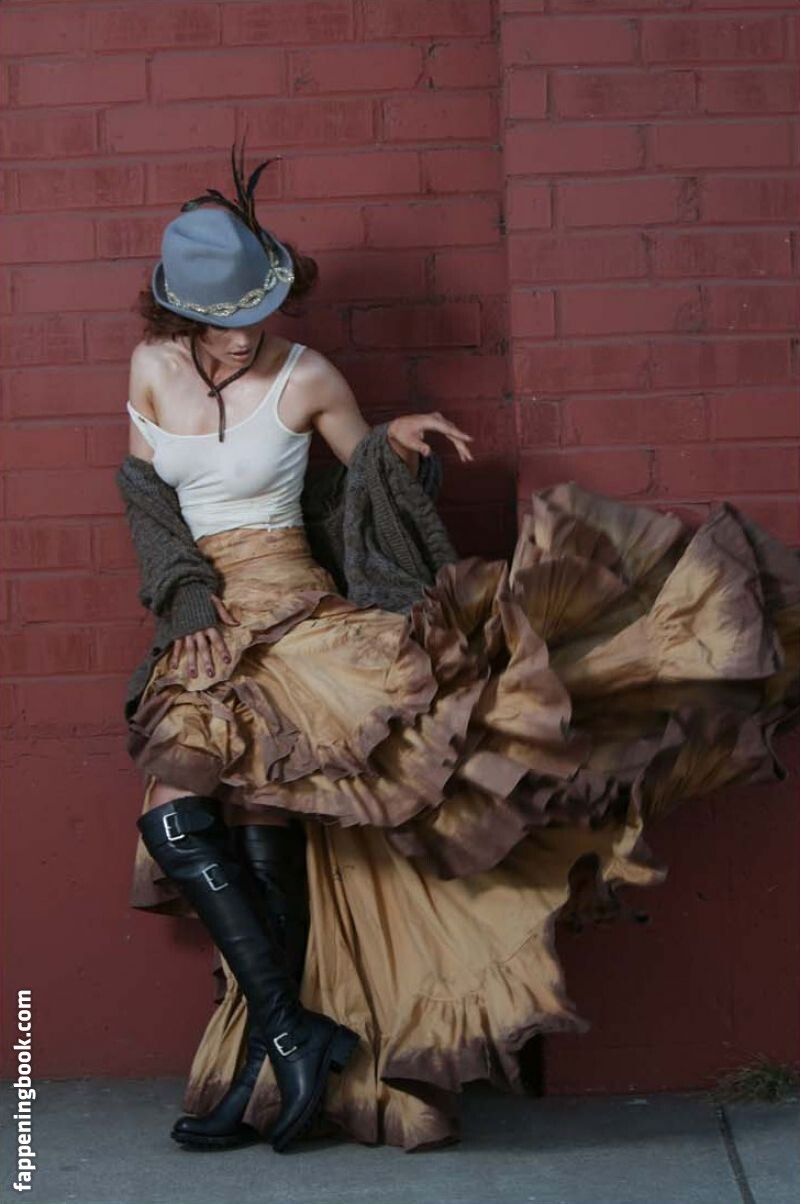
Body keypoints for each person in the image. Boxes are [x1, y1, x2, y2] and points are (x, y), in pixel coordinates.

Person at [121, 144, 800, 1155]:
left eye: (255, 312)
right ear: (180, 313)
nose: (242, 334)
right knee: (179, 816)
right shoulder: (148, 368)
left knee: (271, 832)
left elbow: (360, 484)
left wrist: (391, 448)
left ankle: (280, 1051)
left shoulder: (307, 376)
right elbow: (145, 503)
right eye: (222, 321)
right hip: (207, 630)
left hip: (301, 620)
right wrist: (183, 596)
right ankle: (291, 1032)